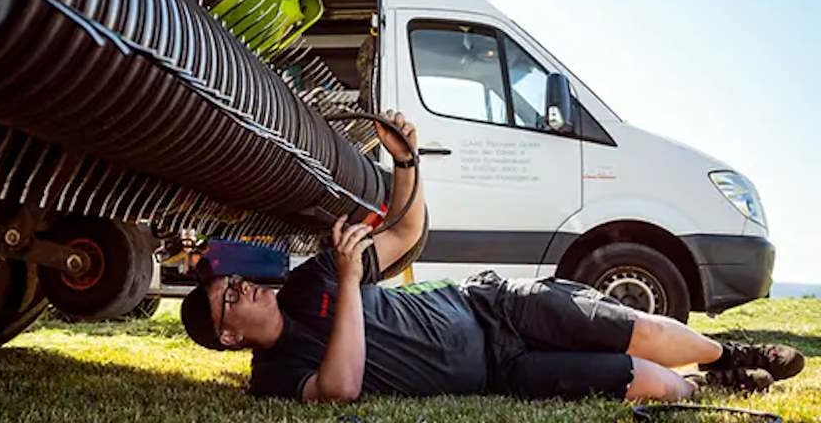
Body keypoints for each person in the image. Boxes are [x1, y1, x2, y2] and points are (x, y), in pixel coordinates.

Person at [181, 111, 805, 403]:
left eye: (237, 282)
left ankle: (734, 355)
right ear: (230, 337)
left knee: (630, 328)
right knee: (654, 385)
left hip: (490, 308)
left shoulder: (306, 278)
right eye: (229, 297)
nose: (245, 288)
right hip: (498, 374)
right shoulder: (273, 379)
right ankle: (705, 385)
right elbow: (340, 389)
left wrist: (405, 163)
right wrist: (348, 283)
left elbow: (401, 237)